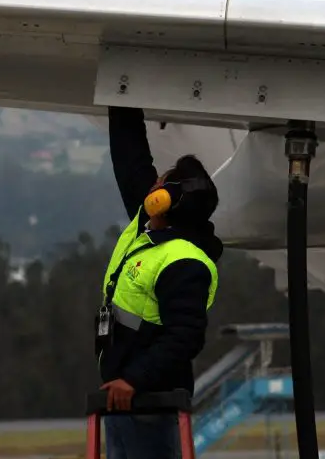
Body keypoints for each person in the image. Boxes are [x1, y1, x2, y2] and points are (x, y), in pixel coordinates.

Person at [97, 106, 223, 459]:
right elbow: (130, 158)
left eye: (160, 183)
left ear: (164, 199)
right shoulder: (151, 225)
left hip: (148, 400)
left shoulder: (183, 260)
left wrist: (135, 379)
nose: (152, 184)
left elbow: (185, 336)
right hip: (124, 397)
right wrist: (122, 98)